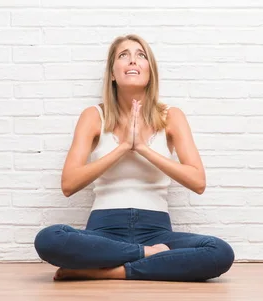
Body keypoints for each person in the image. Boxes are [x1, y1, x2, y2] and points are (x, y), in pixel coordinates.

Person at [33, 34, 235, 282]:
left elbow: (198, 181)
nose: (132, 61)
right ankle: (147, 256)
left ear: (150, 71)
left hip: (157, 231)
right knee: (49, 238)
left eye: (141, 55)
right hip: (103, 231)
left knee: (220, 252)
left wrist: (142, 148)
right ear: (113, 74)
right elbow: (68, 184)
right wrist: (122, 148)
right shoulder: (94, 116)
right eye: (123, 55)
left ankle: (112, 271)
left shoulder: (172, 116)